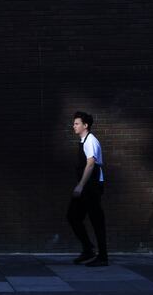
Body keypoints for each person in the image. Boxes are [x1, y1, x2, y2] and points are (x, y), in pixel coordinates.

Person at [66, 111, 108, 266]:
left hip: (91, 187)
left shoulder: (91, 140)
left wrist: (80, 185)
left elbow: (91, 164)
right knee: (73, 216)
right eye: (74, 123)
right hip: (86, 188)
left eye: (77, 123)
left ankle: (103, 257)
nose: (74, 126)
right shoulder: (84, 140)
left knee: (97, 221)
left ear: (85, 125)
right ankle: (88, 249)